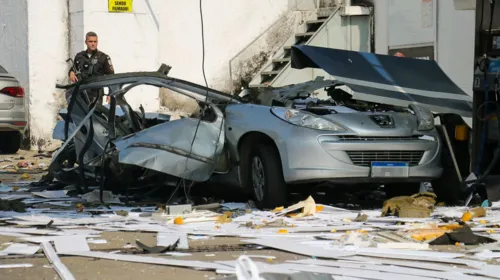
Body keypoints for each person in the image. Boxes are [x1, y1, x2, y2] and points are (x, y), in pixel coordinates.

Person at [68, 31, 114, 104]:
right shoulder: (79, 56)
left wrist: (110, 94)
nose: (93, 44)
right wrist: (71, 73)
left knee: (95, 114)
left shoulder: (103, 57)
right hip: (80, 94)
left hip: (96, 96)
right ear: (86, 42)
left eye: (95, 41)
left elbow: (111, 77)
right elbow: (73, 68)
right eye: (90, 41)